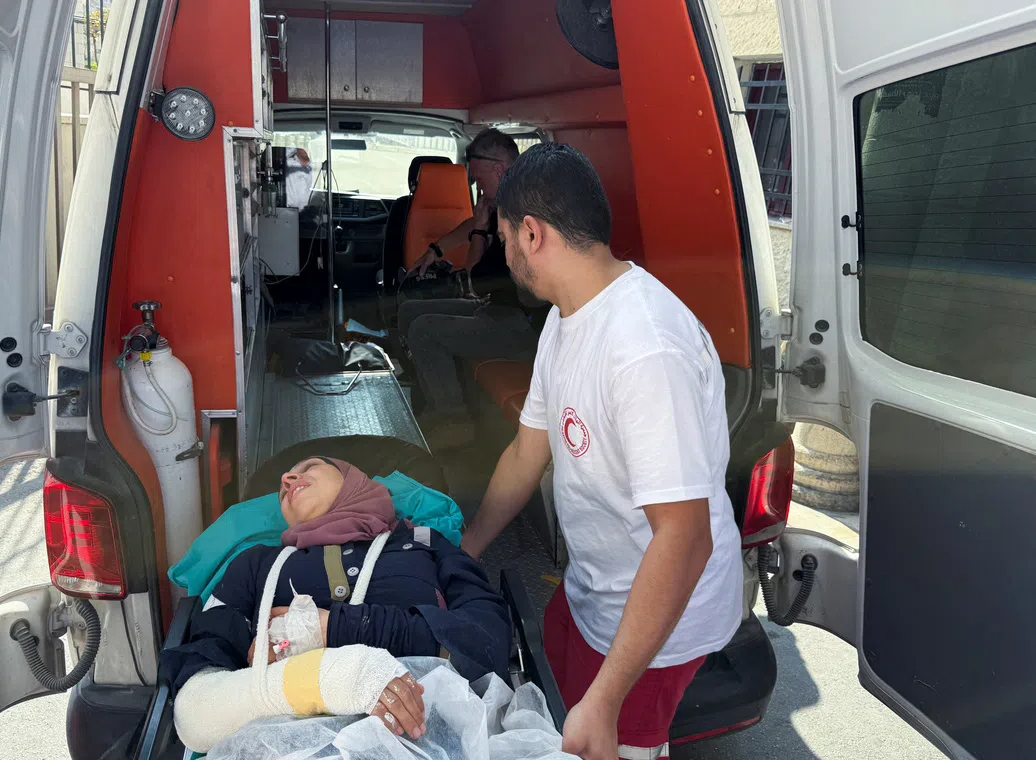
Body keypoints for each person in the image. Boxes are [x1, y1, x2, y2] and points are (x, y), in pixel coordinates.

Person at [459, 143, 743, 760]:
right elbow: (525, 453)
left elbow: (685, 537)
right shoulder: (568, 318)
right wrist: (464, 552)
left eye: (503, 235)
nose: (502, 252)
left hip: (661, 616)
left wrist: (607, 699)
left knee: (602, 736)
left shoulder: (644, 348)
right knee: (549, 696)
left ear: (531, 234)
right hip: (594, 584)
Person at [160, 457, 512, 750]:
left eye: (309, 467)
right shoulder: (255, 565)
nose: (288, 479)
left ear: (351, 478)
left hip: (429, 740)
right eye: (283, 485)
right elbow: (197, 712)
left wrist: (332, 629)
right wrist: (341, 677)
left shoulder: (424, 543)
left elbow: (487, 643)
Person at [400, 128, 549, 451]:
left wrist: (481, 230)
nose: (479, 189)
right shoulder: (506, 199)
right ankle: (432, 400)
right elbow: (474, 223)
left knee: (425, 329)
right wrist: (434, 251)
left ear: (498, 170)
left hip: (521, 328)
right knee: (410, 310)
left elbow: (474, 276)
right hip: (499, 310)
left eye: (480, 181)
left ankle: (455, 421)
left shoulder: (523, 213)